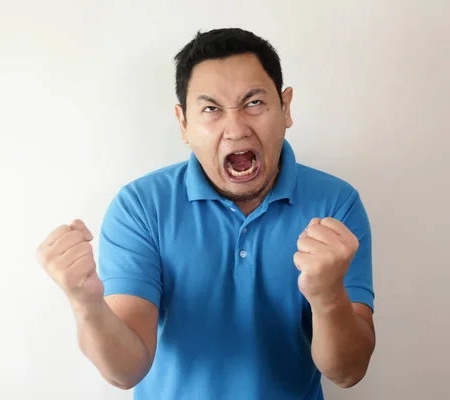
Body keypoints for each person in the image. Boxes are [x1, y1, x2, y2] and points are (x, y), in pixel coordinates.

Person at [36, 28, 376, 400]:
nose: (236, 128)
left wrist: (327, 296)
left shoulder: (336, 204)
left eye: (255, 103)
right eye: (211, 109)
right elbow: (126, 371)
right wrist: (86, 303)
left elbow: (348, 373)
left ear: (286, 107)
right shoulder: (141, 206)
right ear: (183, 123)